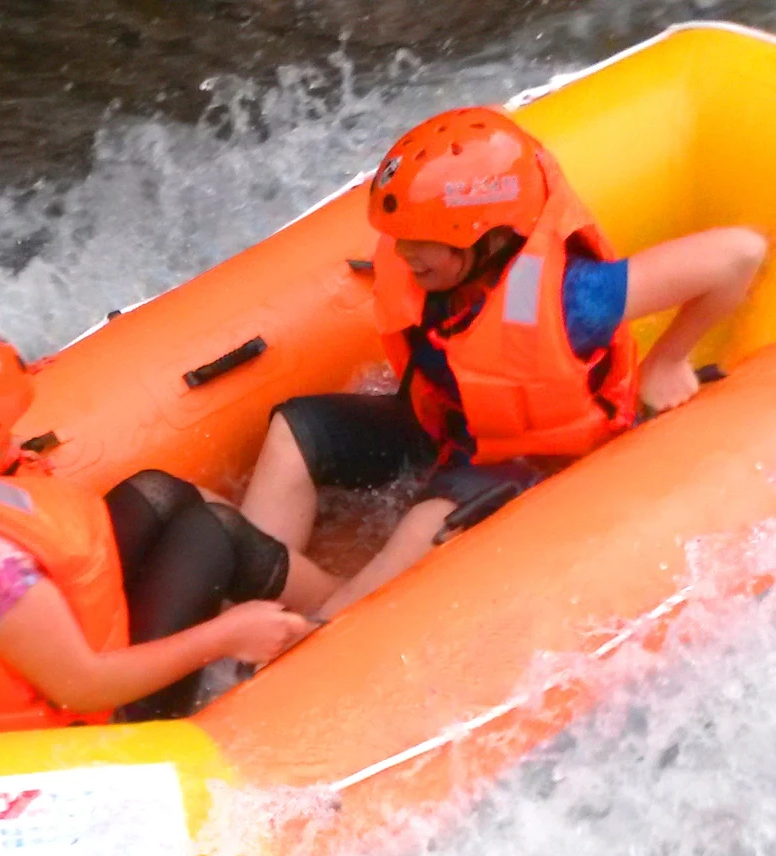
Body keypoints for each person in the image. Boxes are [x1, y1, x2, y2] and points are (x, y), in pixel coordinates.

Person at [240, 106, 768, 616]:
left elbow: (739, 253)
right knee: (296, 429)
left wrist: (668, 359)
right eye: (401, 239)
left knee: (422, 528)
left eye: (423, 243)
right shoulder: (429, 275)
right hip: (450, 421)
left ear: (489, 239)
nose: (404, 255)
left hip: (528, 454)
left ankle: (311, 635)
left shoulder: (570, 299)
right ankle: (250, 602)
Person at [0, 317, 338, 734]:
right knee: (211, 535)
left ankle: (330, 601)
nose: (15, 446)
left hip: (51, 667)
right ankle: (344, 620)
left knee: (159, 491)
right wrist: (225, 636)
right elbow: (81, 686)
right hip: (88, 725)